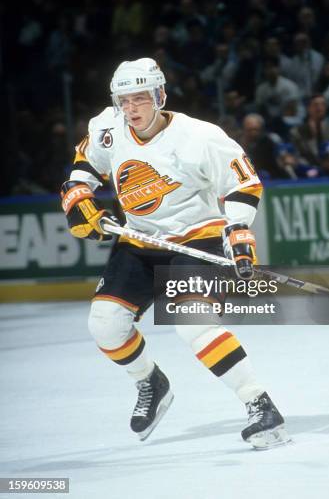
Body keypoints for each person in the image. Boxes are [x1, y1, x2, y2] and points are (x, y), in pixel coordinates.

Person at [60, 57, 289, 450]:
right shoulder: (109, 127)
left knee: (193, 322)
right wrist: (77, 196)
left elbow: (244, 184)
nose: (131, 109)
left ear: (159, 95)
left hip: (196, 239)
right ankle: (151, 381)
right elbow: (86, 165)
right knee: (105, 324)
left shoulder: (201, 137)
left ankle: (260, 404)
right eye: (123, 100)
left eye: (140, 99)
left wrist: (236, 230)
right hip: (139, 239)